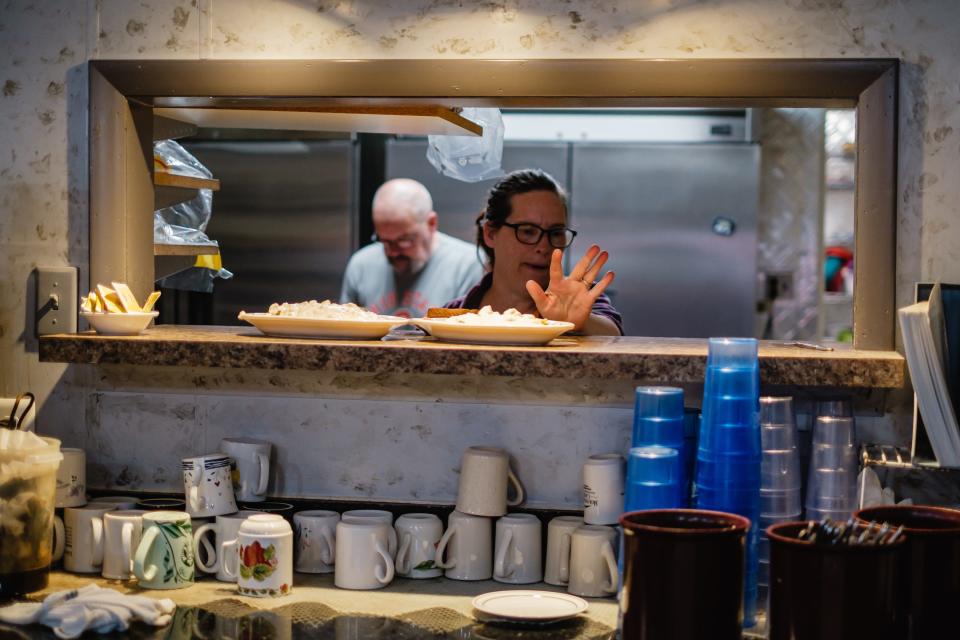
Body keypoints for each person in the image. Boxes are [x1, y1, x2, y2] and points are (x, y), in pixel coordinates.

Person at [446, 169, 623, 336]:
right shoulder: (452, 315)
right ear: (490, 234)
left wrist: (578, 322)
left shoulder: (579, 299)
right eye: (527, 231)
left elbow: (614, 336)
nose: (544, 247)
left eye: (555, 233)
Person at [340, 178, 483, 317]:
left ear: (431, 223)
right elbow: (345, 330)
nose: (393, 252)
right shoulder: (361, 265)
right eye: (384, 241)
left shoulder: (469, 265)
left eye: (404, 240)